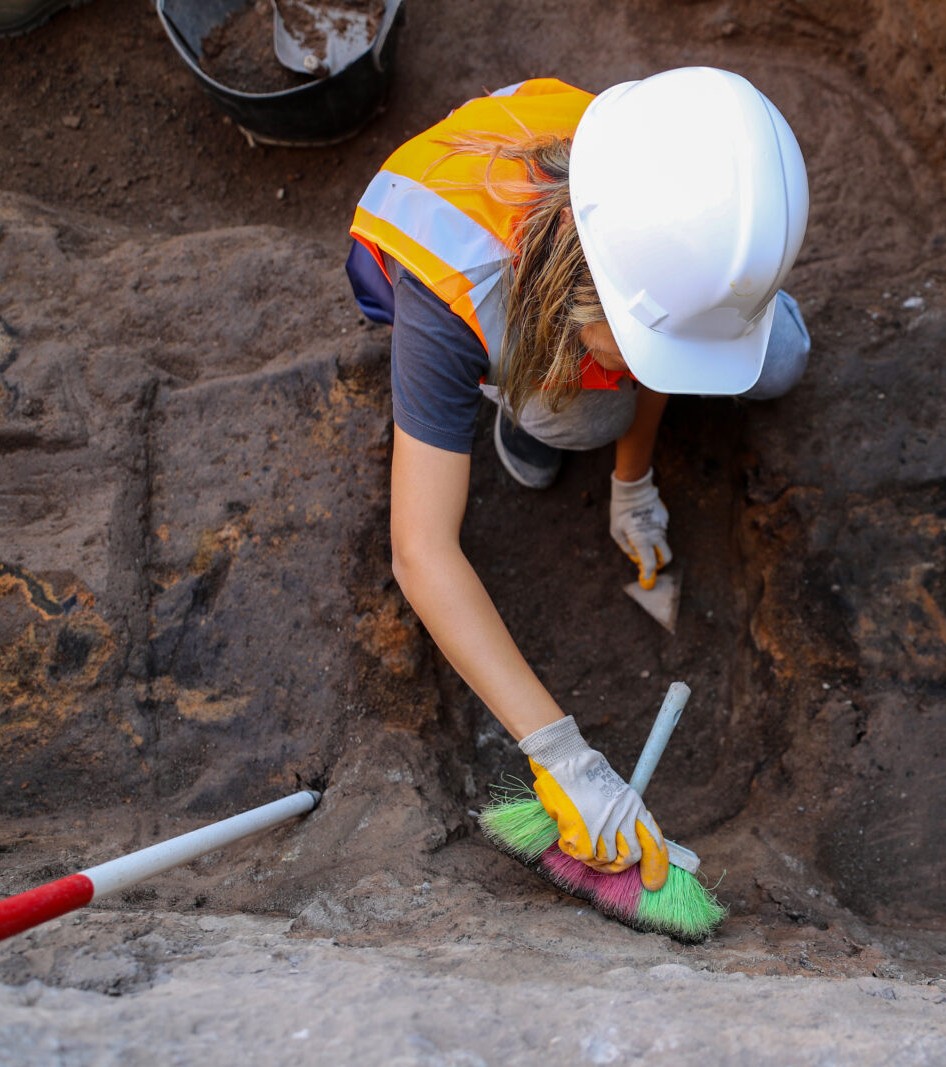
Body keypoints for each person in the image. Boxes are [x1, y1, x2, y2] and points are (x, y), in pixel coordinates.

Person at [346, 68, 809, 893]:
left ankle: (629, 376)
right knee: (585, 415)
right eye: (632, 344)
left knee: (778, 357)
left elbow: (661, 347)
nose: (644, 369)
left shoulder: (662, 191)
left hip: (611, 286)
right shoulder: (447, 299)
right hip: (467, 270)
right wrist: (559, 753)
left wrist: (633, 484)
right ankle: (516, 401)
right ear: (577, 293)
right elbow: (420, 551)